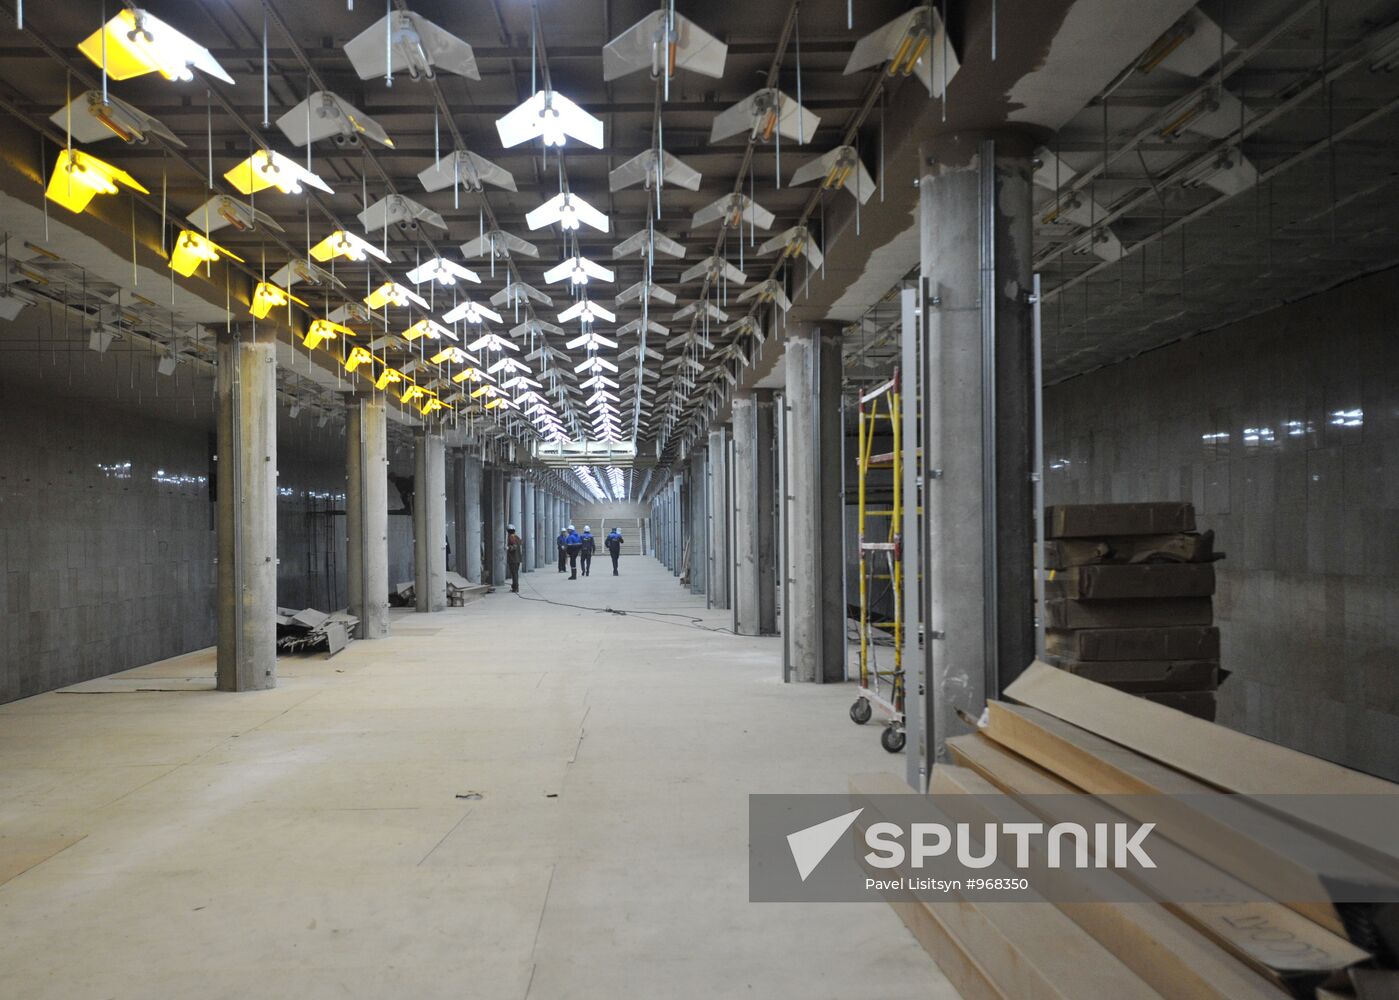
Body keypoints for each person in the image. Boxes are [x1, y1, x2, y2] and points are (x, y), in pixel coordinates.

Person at [505, 524, 524, 593]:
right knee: (515, 573)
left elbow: (514, 546)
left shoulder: (511, 537)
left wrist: (508, 548)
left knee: (514, 574)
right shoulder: (517, 537)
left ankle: (515, 588)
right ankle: (514, 587)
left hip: (513, 559)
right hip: (518, 559)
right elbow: (521, 543)